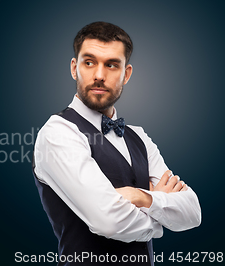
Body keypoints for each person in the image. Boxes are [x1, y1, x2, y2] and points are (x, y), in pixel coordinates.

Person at [32, 21, 201, 265]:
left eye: (111, 65)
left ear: (127, 74)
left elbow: (193, 211)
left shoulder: (139, 137)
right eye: (89, 62)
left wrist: (139, 197)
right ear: (74, 68)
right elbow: (107, 221)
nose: (99, 75)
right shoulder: (58, 132)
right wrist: (161, 217)